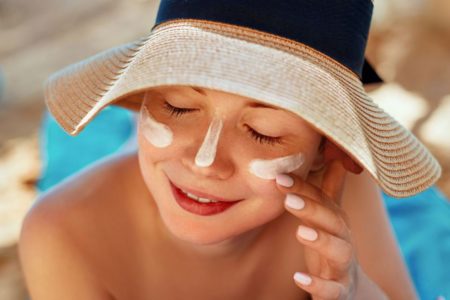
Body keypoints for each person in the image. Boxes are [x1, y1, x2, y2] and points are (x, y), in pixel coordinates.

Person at [18, 1, 442, 299]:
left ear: (323, 151)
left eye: (263, 133)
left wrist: (354, 291)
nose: (205, 162)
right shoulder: (62, 231)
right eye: (178, 106)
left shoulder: (337, 188)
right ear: (144, 97)